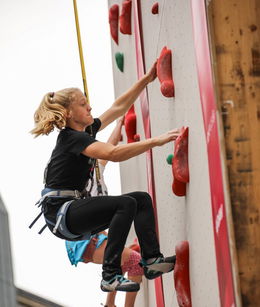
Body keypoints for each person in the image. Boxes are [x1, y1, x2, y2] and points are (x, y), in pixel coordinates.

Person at [31, 60, 180, 293]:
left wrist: (146, 79)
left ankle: (151, 261)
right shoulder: (72, 139)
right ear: (70, 114)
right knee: (125, 204)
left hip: (70, 211)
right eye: (83, 104)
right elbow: (112, 153)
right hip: (62, 214)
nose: (90, 107)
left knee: (140, 199)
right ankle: (109, 276)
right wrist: (156, 141)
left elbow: (117, 108)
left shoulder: (84, 132)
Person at [65, 118, 143, 307]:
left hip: (89, 239)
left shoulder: (96, 170)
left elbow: (110, 146)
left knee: (124, 263)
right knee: (135, 260)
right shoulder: (80, 184)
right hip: (86, 241)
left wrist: (119, 125)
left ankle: (110, 304)